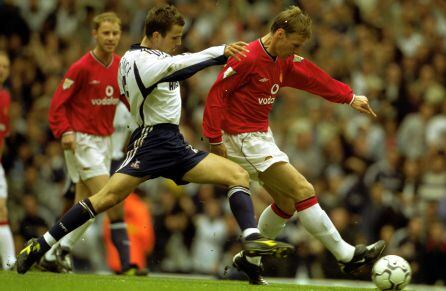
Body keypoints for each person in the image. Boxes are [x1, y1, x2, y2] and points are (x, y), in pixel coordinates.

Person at [16, 4, 293, 275]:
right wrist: (220, 51)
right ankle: (41, 246)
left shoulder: (152, 58)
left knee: (237, 174)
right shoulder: (138, 60)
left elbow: (172, 66)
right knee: (104, 199)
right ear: (156, 35)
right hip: (151, 142)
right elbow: (179, 66)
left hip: (173, 143)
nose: (177, 44)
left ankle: (251, 236)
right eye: (174, 38)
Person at [202, 6, 385, 285]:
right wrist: (214, 141)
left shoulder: (282, 59)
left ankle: (249, 262)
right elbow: (216, 96)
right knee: (303, 190)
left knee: (286, 202)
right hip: (241, 140)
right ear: (279, 34)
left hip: (261, 136)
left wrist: (348, 97)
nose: (296, 51)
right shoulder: (248, 58)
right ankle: (347, 256)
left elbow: (313, 77)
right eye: (295, 44)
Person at [41, 12, 138, 274]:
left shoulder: (120, 65)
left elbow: (128, 99)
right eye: (106, 33)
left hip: (105, 142)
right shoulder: (81, 67)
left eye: (115, 33)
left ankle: (55, 252)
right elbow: (57, 106)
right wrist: (65, 131)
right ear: (95, 34)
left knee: (84, 204)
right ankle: (57, 250)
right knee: (107, 198)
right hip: (83, 141)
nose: (111, 38)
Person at [0, 51, 16, 270]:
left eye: (5, 66)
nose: (1, 69)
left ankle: (10, 263)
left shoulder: (5, 97)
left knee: (2, 210)